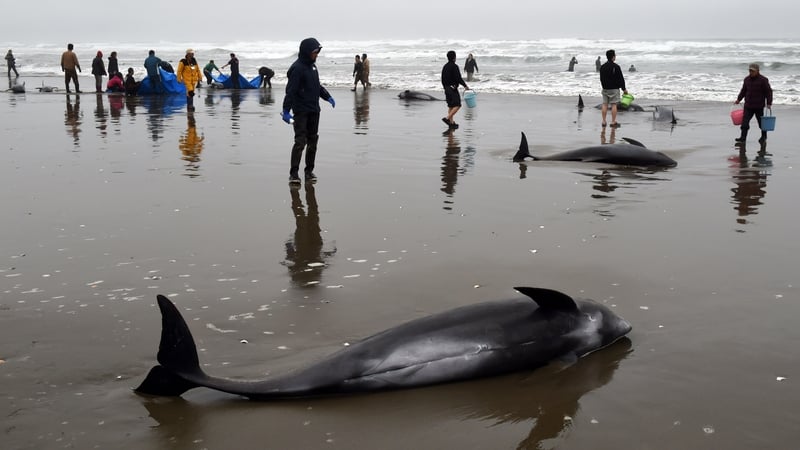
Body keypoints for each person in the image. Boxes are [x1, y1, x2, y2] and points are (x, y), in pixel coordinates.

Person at [281, 37, 335, 185]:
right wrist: (286, 110)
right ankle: (294, 174)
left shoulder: (313, 67)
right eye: (314, 52)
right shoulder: (297, 68)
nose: (316, 54)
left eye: (317, 52)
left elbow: (317, 86)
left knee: (313, 141)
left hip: (314, 110)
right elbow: (290, 91)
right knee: (300, 142)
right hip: (301, 111)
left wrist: (327, 96)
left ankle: (309, 171)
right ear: (306, 52)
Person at [735, 63, 773, 145]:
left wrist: (769, 103)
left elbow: (768, 92)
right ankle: (743, 138)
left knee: (761, 123)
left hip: (759, 106)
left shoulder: (763, 80)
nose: (751, 72)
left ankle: (763, 136)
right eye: (750, 71)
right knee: (745, 123)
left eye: (752, 71)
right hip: (748, 105)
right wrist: (738, 99)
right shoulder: (746, 79)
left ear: (758, 71)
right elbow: (743, 91)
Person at [441, 50, 469, 129]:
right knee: (457, 105)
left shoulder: (445, 66)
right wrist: (465, 86)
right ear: (454, 58)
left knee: (451, 106)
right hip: (452, 88)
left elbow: (442, 78)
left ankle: (451, 122)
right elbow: (458, 78)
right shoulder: (454, 66)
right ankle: (447, 118)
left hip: (446, 88)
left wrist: (445, 87)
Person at [599, 49, 627, 128]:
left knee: (604, 104)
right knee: (614, 105)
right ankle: (613, 121)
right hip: (614, 89)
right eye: (615, 55)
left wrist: (604, 86)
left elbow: (601, 78)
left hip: (605, 88)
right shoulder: (616, 67)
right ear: (613, 57)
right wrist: (624, 89)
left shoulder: (602, 67)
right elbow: (620, 79)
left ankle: (604, 121)